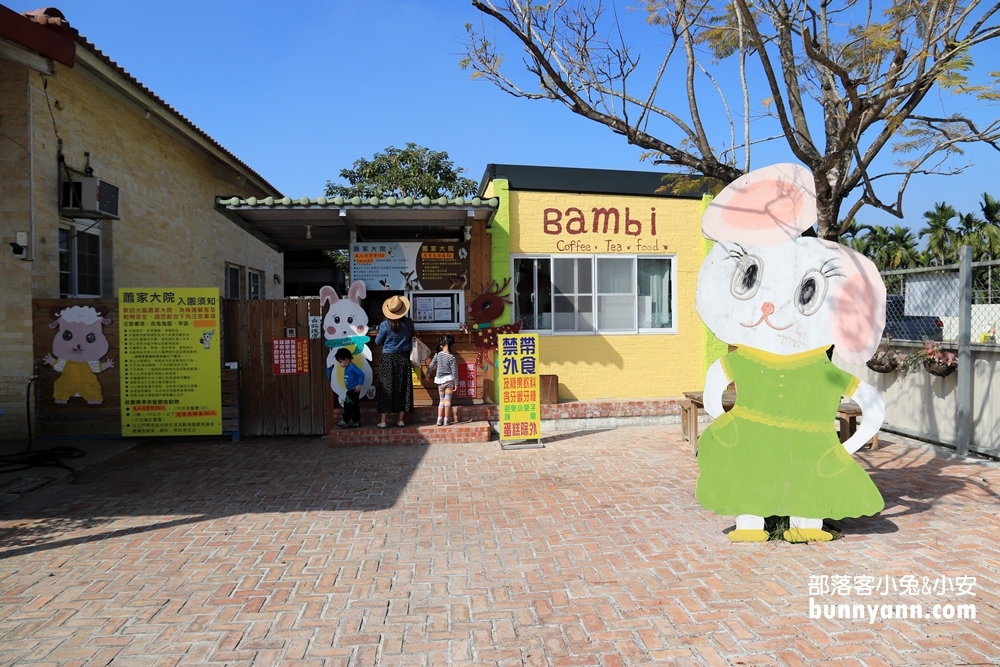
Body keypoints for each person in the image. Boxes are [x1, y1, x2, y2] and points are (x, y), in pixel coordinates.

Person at [374, 295, 414, 428]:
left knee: (386, 388)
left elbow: (378, 341)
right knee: (403, 388)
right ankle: (400, 420)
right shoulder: (409, 323)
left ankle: (383, 421)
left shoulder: (385, 325)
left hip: (388, 359)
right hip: (403, 358)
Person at [426, 334, 458, 426]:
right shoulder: (452, 357)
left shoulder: (437, 355)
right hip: (449, 380)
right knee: (447, 401)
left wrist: (428, 374)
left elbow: (431, 365)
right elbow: (454, 371)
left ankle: (439, 420)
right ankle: (446, 420)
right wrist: (456, 383)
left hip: (440, 381)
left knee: (441, 400)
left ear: (441, 345)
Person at [335, 347, 364, 428]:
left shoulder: (352, 367)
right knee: (353, 406)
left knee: (348, 406)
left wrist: (359, 384)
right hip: (350, 390)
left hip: (353, 391)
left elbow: (361, 374)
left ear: (347, 360)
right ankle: (355, 421)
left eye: (341, 362)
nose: (341, 364)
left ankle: (346, 421)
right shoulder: (348, 368)